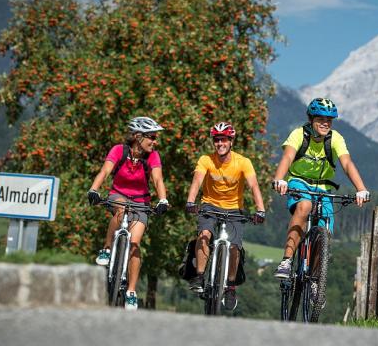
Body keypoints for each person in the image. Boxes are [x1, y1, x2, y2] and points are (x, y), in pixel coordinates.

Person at [272, 97, 370, 279]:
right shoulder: (299, 134)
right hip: (298, 181)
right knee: (305, 206)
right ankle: (286, 260)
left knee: (325, 228)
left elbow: (347, 163)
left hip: (324, 187)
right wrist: (279, 179)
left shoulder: (336, 139)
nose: (325, 124)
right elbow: (287, 157)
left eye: (329, 120)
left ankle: (316, 278)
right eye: (321, 119)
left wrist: (361, 189)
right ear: (311, 119)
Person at [87, 116, 169, 310]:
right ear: (138, 136)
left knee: (135, 243)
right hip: (119, 195)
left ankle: (131, 291)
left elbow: (157, 180)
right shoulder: (119, 150)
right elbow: (105, 171)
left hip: (141, 201)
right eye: (152, 137)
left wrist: (163, 199)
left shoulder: (153, 156)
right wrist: (94, 189)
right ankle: (107, 249)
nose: (155, 141)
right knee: (120, 210)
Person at [185, 122, 266, 311]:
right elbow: (197, 181)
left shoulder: (243, 162)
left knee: (235, 247)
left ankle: (230, 286)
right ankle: (199, 276)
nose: (219, 143)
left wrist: (260, 209)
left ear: (231, 141)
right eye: (216, 140)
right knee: (204, 234)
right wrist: (190, 201)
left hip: (234, 210)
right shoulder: (206, 160)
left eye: (223, 139)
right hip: (209, 205)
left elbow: (254, 186)